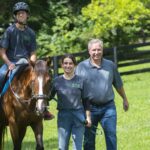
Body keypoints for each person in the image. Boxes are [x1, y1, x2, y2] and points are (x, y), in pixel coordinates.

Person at [0, 1, 53, 120]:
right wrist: (9, 64)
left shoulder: (31, 33)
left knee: (41, 79)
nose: (21, 16)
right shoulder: (9, 31)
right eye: (19, 14)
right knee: (0, 74)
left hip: (26, 63)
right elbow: (2, 51)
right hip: (11, 63)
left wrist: (32, 64)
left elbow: (33, 53)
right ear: (15, 16)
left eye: (23, 13)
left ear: (27, 15)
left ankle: (45, 109)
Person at [75, 39, 129, 150]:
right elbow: (76, 88)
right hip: (89, 109)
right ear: (89, 51)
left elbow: (118, 84)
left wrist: (124, 98)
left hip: (108, 108)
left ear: (102, 50)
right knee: (89, 140)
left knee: (111, 136)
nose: (96, 52)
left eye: (99, 49)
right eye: (94, 50)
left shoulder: (110, 65)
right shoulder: (81, 67)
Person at [50, 54, 91, 150]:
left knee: (77, 147)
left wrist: (88, 117)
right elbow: (48, 97)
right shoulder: (56, 81)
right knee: (62, 147)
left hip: (78, 115)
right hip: (63, 116)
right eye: (65, 63)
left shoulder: (81, 80)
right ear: (62, 65)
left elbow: (86, 101)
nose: (68, 66)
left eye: (70, 63)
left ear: (75, 65)